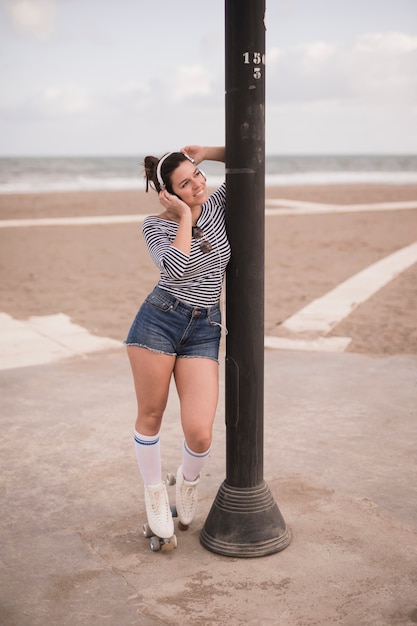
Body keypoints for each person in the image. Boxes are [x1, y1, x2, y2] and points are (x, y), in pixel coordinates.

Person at [125, 145, 230, 540]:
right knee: (151, 414)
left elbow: (251, 151)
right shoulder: (154, 225)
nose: (199, 185)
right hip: (159, 322)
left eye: (198, 175)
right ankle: (154, 493)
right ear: (168, 193)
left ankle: (187, 483)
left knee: (200, 431)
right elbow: (177, 267)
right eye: (186, 184)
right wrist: (185, 215)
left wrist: (207, 152)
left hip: (204, 327)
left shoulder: (218, 202)